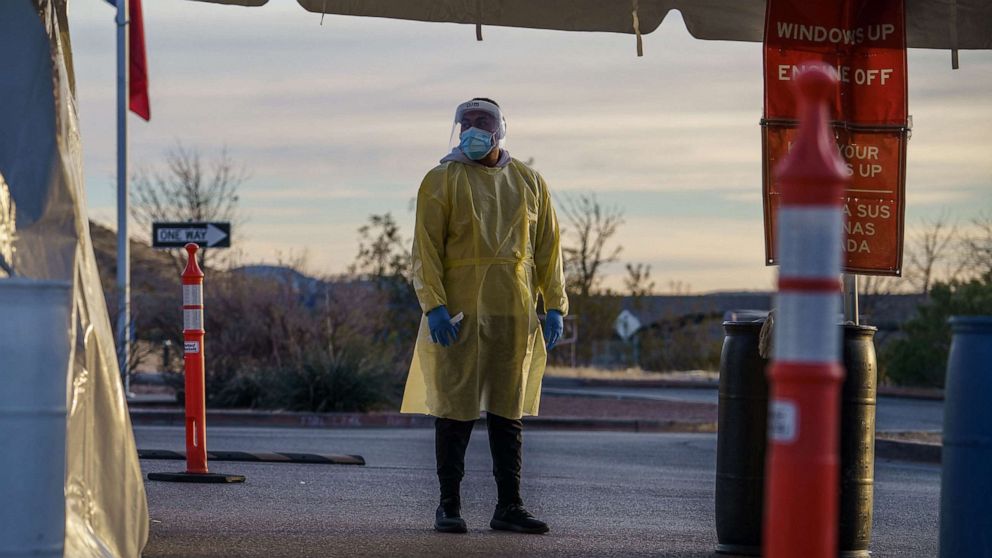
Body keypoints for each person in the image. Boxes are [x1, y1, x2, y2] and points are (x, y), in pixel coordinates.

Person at [400, 98, 568, 535]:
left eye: (483, 121)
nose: (474, 129)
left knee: (506, 411)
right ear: (457, 130)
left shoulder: (530, 182)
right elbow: (426, 250)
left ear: (501, 128)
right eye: (467, 122)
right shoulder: (441, 180)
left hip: (513, 312)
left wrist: (554, 304)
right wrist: (433, 304)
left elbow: (549, 249)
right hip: (457, 314)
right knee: (455, 410)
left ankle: (508, 506)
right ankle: (449, 505)